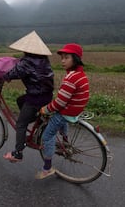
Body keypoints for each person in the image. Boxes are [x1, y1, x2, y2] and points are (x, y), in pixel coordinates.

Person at [36, 43, 90, 179]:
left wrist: (45, 109)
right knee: (60, 120)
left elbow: (60, 102)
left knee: (47, 136)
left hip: (66, 111)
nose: (63, 61)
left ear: (75, 59)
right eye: (62, 58)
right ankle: (65, 140)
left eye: (66, 57)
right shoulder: (80, 75)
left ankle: (47, 168)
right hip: (75, 110)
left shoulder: (71, 78)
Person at [3, 31, 54, 162]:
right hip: (48, 96)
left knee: (20, 124)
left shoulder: (27, 62)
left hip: (35, 98)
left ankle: (18, 153)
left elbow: (14, 72)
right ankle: (38, 120)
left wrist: (4, 76)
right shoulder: (44, 59)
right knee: (20, 100)